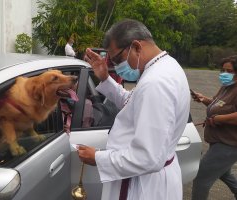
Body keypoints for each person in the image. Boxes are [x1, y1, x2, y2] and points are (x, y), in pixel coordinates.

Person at [78, 19, 190, 200]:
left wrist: (98, 158)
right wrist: (106, 79)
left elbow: (147, 157)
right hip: (148, 179)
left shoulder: (156, 83)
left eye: (117, 59)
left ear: (137, 46)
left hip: (141, 186)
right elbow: (133, 104)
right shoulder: (164, 67)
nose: (116, 66)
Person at [191, 56, 237, 200]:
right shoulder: (226, 87)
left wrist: (218, 119)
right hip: (218, 140)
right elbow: (218, 105)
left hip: (229, 144)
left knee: (201, 178)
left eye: (229, 71)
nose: (224, 74)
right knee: (224, 173)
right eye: (222, 70)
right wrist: (204, 99)